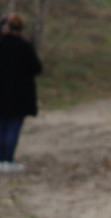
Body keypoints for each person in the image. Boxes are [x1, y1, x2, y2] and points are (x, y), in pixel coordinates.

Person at [0, 13, 42, 173]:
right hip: (19, 95)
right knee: (13, 127)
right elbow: (37, 68)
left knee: (1, 126)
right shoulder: (25, 46)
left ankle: (1, 159)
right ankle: (7, 160)